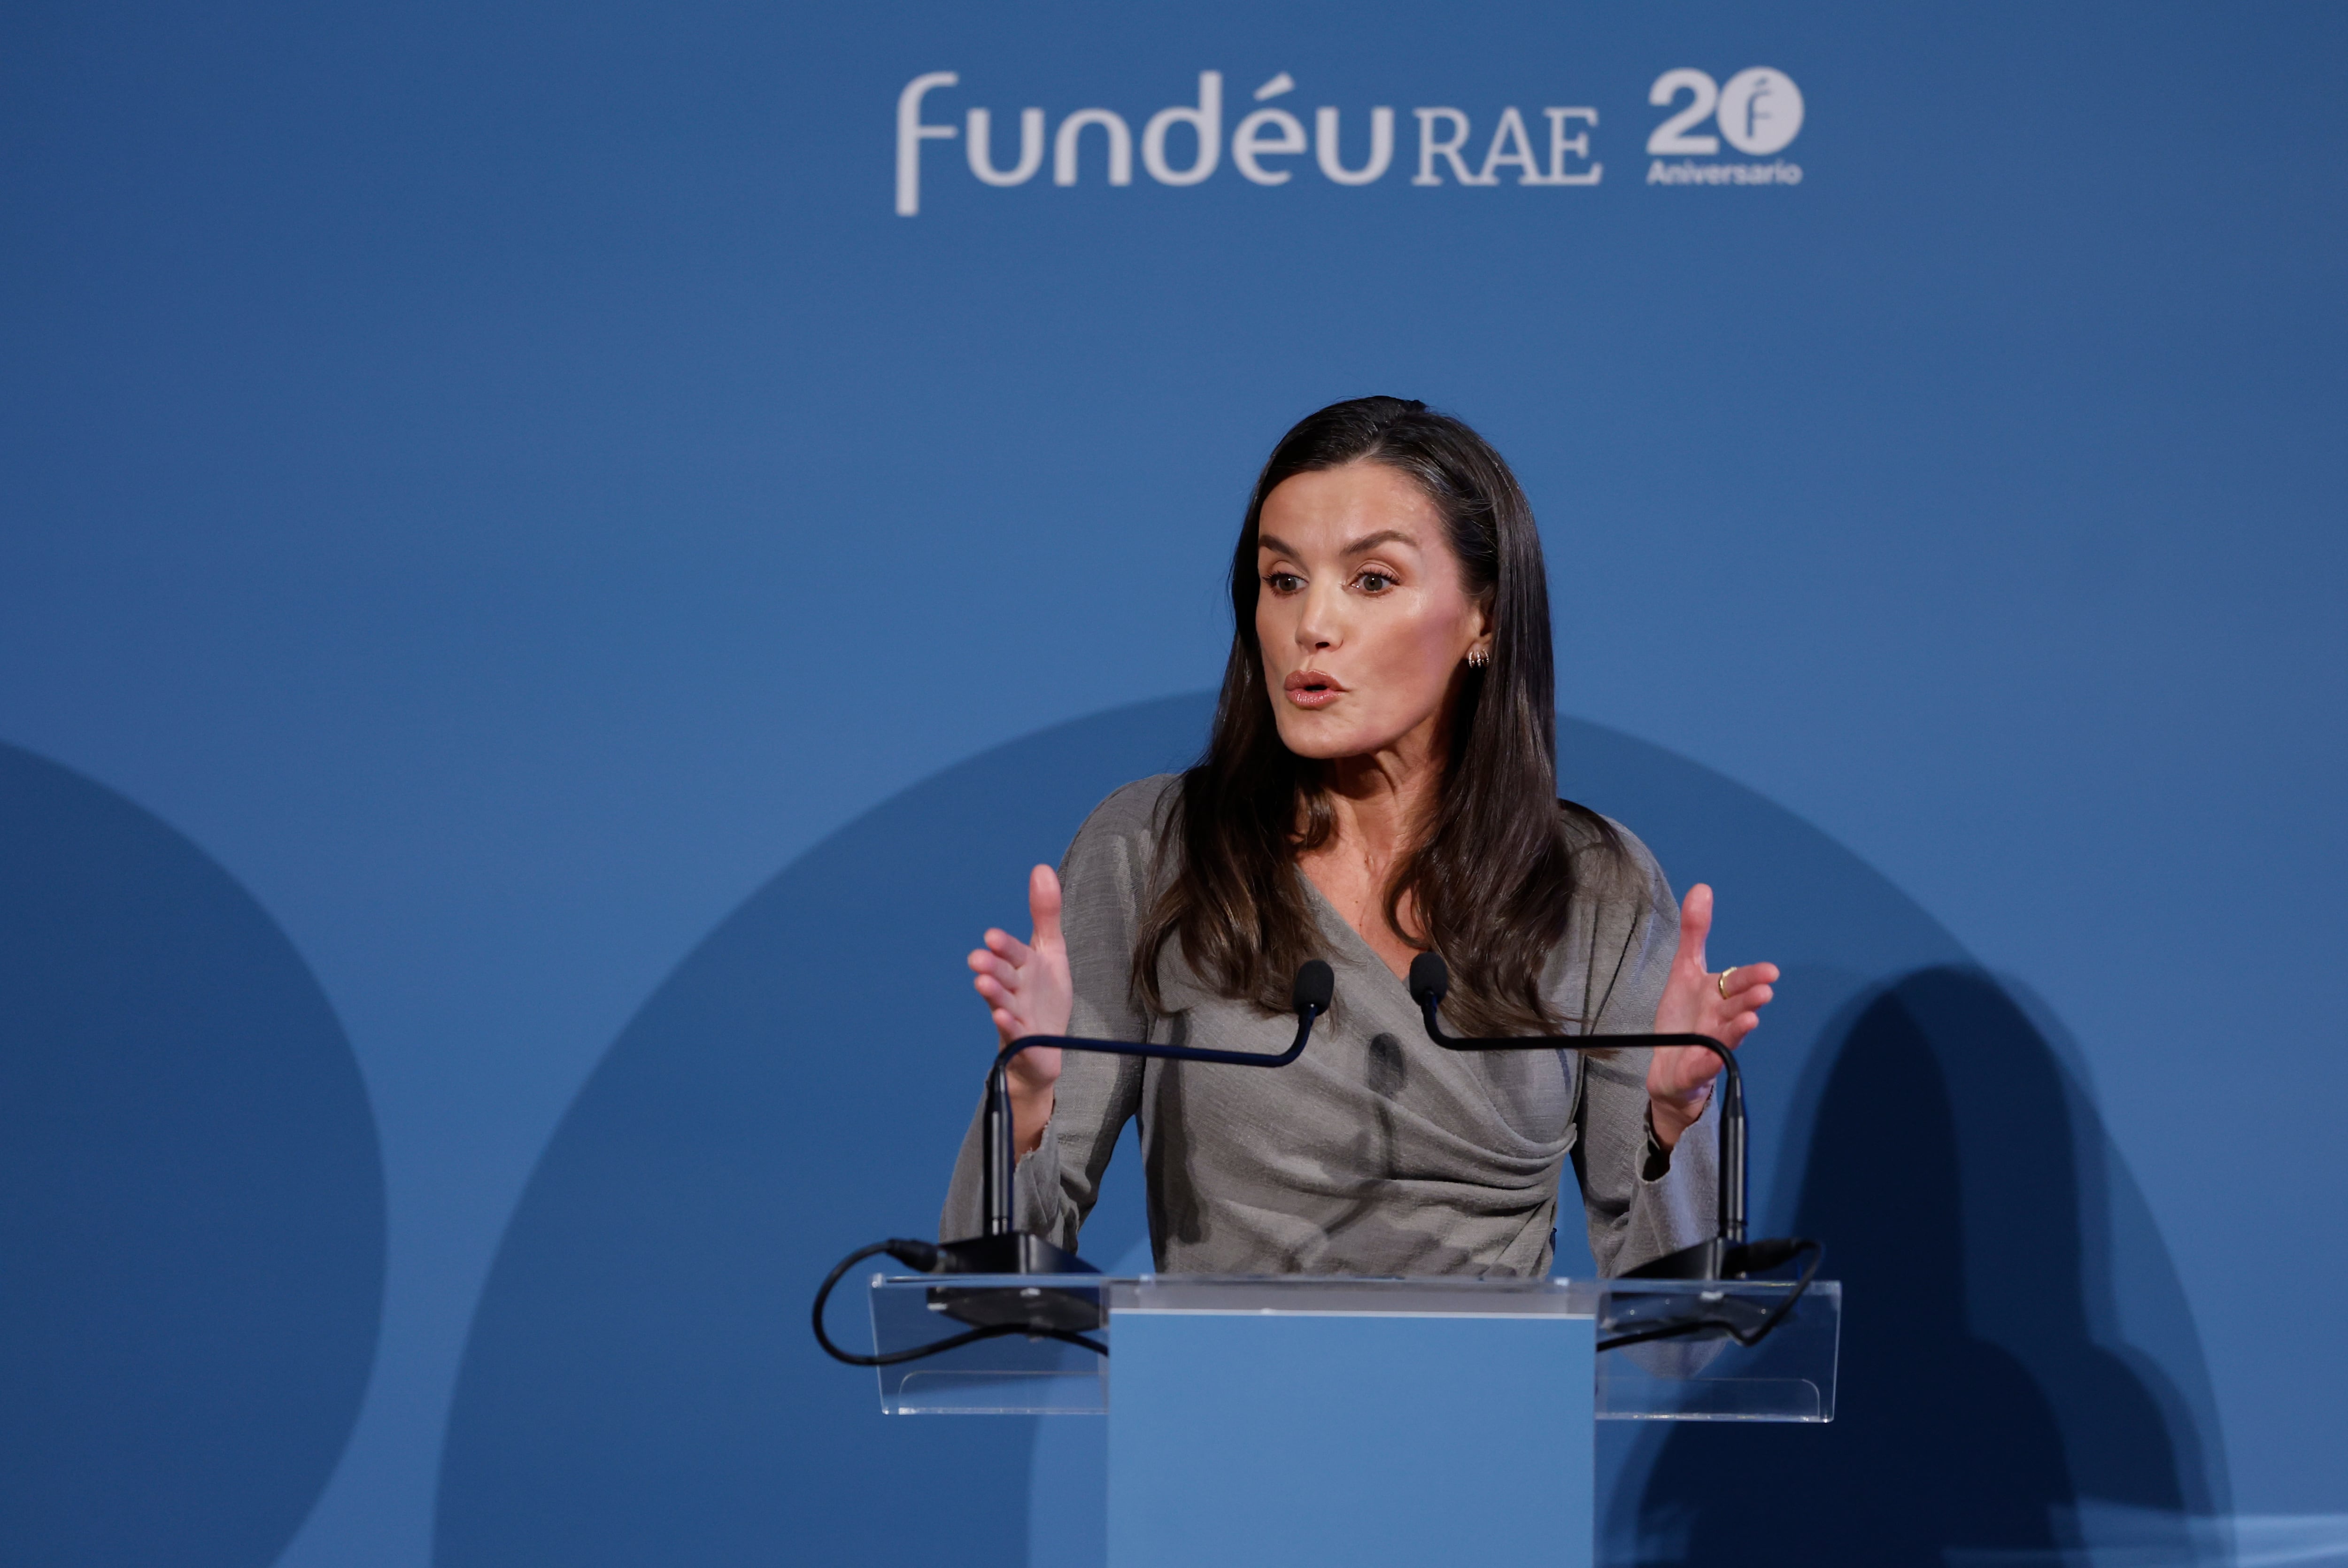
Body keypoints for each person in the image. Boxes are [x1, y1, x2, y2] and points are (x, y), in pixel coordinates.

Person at [942, 397, 1778, 1277]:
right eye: (1283, 580)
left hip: (1497, 1370)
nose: (1313, 626)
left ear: (1484, 618)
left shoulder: (1590, 885)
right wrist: (1026, 1097)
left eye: (1372, 581)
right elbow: (986, 1279)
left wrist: (1672, 1123)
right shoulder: (1155, 851)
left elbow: (1680, 1320)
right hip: (1221, 1369)